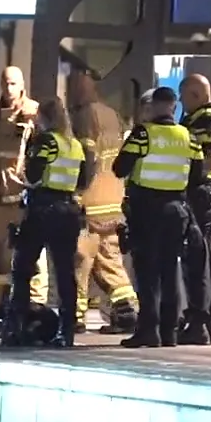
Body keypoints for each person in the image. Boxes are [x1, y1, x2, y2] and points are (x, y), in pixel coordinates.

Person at [115, 87, 202, 347]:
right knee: (169, 269)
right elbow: (197, 177)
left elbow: (120, 168)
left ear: (154, 107)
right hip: (177, 209)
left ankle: (148, 330)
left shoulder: (143, 133)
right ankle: (169, 332)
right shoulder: (189, 136)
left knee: (147, 272)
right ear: (174, 107)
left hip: (147, 209)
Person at [4, 98, 90, 347]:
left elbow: (33, 174)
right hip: (68, 211)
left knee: (23, 268)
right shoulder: (74, 145)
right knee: (64, 272)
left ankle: (16, 329)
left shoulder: (46, 141)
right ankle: (67, 331)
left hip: (43, 209)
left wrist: (20, 173)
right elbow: (82, 180)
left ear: (44, 117)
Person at [69, 71, 137, 333]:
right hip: (113, 200)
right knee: (110, 260)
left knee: (80, 259)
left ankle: (75, 317)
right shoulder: (112, 114)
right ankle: (127, 311)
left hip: (91, 202)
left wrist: (76, 192)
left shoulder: (84, 116)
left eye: (73, 90)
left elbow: (87, 159)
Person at [0, 66, 42, 311]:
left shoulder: (32, 113)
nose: (9, 89)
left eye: (13, 84)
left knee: (30, 252)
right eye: (5, 84)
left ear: (22, 85)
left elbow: (41, 151)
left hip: (23, 197)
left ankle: (34, 304)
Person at [180, 76, 211, 338]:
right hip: (205, 193)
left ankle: (199, 320)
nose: (181, 104)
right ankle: (204, 321)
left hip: (201, 193)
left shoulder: (205, 120)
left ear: (195, 94)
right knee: (203, 256)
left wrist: (189, 169)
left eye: (184, 97)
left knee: (197, 257)